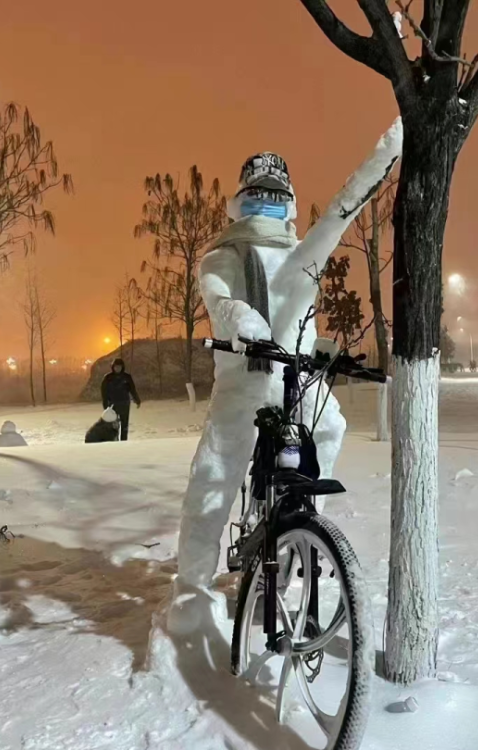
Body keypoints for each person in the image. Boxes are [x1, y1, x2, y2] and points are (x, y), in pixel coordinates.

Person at [168, 118, 403, 635]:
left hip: (297, 374)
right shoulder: (224, 254)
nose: (265, 204)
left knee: (330, 427)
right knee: (214, 476)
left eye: (274, 195)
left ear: (291, 200)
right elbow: (220, 299)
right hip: (245, 378)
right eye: (257, 195)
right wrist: (243, 322)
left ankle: (299, 525)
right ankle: (192, 591)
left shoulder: (304, 257)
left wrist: (321, 349)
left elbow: (303, 320)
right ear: (240, 200)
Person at [100, 358, 140, 441]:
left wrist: (137, 399)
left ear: (122, 367)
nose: (117, 368)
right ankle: (114, 441)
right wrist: (105, 404)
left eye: (119, 367)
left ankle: (123, 442)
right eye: (116, 367)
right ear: (113, 367)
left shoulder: (127, 377)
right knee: (113, 425)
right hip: (112, 405)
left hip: (124, 404)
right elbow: (104, 392)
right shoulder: (108, 378)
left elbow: (132, 389)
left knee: (124, 425)